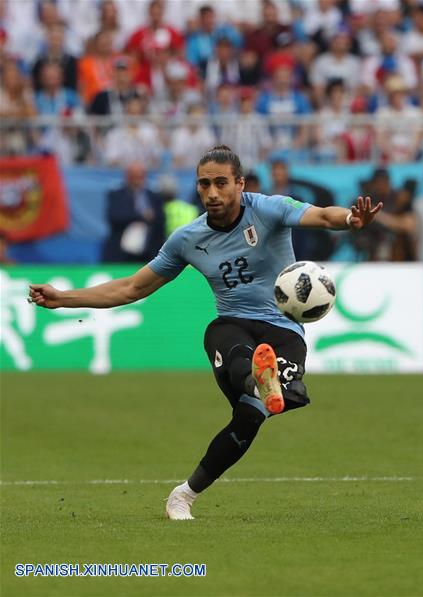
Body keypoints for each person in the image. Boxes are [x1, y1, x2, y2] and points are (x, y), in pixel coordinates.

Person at [28, 146, 382, 521]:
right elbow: (132, 287)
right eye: (204, 184)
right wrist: (64, 298)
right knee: (240, 358)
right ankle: (261, 381)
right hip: (232, 326)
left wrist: (350, 219)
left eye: (221, 183)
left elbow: (323, 216)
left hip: (283, 331)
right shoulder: (187, 239)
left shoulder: (269, 208)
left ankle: (184, 494)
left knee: (249, 420)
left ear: (240, 184)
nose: (212, 193)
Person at [102, 161, 166, 263]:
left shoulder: (154, 197)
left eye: (140, 176)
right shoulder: (116, 195)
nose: (137, 180)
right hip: (122, 251)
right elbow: (114, 216)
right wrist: (141, 216)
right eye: (134, 176)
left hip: (148, 251)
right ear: (127, 176)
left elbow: (161, 220)